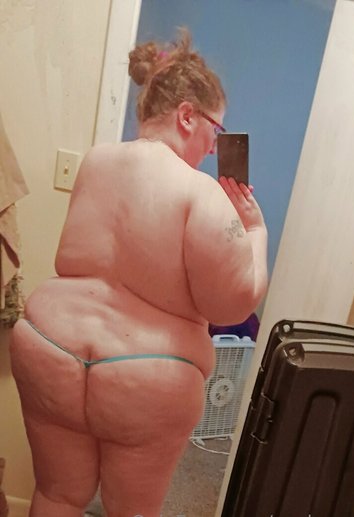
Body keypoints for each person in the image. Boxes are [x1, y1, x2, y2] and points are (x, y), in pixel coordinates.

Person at [10, 28, 268, 517]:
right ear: (187, 115)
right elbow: (233, 304)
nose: (213, 147)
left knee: (58, 494)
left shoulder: (97, 161)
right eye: (216, 130)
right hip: (146, 375)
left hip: (50, 347)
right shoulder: (200, 192)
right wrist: (255, 231)